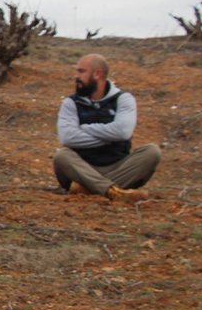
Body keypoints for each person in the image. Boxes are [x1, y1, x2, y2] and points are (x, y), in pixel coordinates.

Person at [53, 53, 160, 202]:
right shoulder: (71, 103)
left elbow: (122, 132)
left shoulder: (123, 99)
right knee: (62, 156)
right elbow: (68, 138)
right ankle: (113, 191)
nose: (76, 76)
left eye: (81, 71)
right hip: (83, 168)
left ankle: (88, 189)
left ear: (97, 74)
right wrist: (110, 137)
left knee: (151, 152)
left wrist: (84, 128)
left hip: (118, 167)